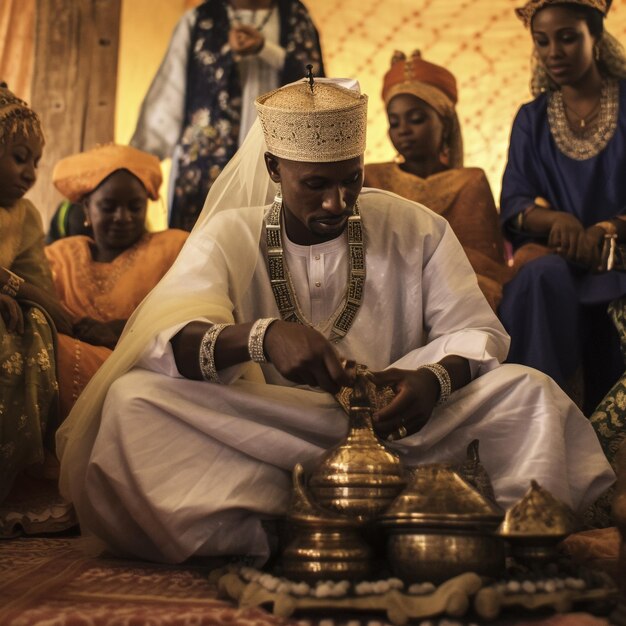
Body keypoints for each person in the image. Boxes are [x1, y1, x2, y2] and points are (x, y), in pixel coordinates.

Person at [57, 78, 614, 564]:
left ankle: (328, 520)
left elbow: (476, 331)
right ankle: (326, 525)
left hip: (405, 425)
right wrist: (262, 337)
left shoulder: (413, 226)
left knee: (531, 392)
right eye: (316, 185)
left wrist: (432, 380)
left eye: (349, 179)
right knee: (134, 405)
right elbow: (170, 341)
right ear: (274, 168)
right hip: (272, 426)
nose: (336, 202)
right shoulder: (230, 234)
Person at [499, 0, 626, 413]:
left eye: (568, 38)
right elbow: (514, 202)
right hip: (564, 261)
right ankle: (538, 424)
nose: (553, 51)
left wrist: (607, 228)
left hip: (620, 259)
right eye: (542, 41)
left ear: (596, 37)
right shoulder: (530, 119)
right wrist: (558, 219)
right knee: (538, 277)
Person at [130, 0, 324, 232]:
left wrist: (265, 49)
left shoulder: (297, 17)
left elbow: (317, 89)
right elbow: (169, 94)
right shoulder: (198, 20)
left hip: (277, 162)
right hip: (205, 171)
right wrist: (135, 167)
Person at [46, 144, 189, 418]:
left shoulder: (173, 248)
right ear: (87, 208)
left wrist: (122, 330)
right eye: (109, 207)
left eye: (135, 207)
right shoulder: (59, 256)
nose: (123, 218)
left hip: (143, 380)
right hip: (59, 382)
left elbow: (194, 322)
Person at [365, 51, 512, 311]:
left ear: (444, 122)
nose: (404, 131)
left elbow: (484, 263)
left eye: (416, 119)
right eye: (394, 122)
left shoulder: (469, 180)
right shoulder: (372, 177)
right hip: (388, 288)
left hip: (457, 289)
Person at [0, 86, 73, 503]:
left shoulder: (25, 216)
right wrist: (13, 287)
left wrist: (27, 296)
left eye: (36, 163)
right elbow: (25, 284)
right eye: (19, 158)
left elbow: (39, 286)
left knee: (36, 322)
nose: (31, 173)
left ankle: (22, 473)